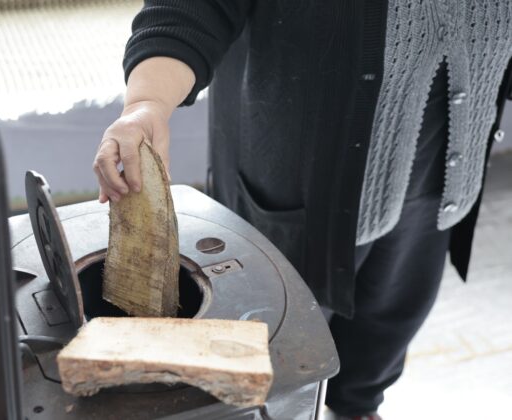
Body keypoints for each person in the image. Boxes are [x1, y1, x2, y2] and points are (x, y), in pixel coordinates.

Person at [93, 1, 512, 418]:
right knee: (269, 349)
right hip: (296, 184)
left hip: (438, 172)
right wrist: (146, 103)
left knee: (392, 317)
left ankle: (357, 406)